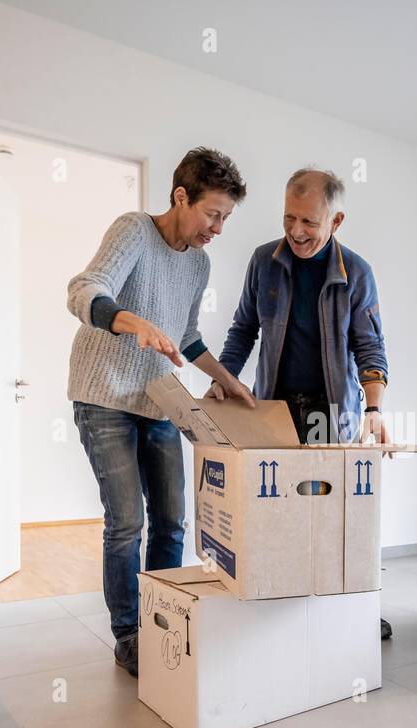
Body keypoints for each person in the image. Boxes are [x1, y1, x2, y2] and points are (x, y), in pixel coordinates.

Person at [66, 147, 254, 677]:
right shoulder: (133, 231)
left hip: (159, 399)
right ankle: (129, 633)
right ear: (180, 197)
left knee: (172, 520)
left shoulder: (199, 263)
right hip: (104, 394)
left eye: (225, 218)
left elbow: (188, 335)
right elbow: (83, 291)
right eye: (212, 213)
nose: (217, 228)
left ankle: (161, 615)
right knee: (127, 521)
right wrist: (133, 322)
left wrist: (227, 381)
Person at [207, 167, 395, 637]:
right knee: (276, 511)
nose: (295, 232)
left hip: (331, 412)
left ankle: (351, 604)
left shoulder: (357, 272)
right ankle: (282, 603)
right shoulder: (263, 262)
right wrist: (224, 382)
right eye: (289, 218)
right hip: (274, 408)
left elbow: (369, 347)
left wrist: (373, 410)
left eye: (309, 222)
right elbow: (242, 330)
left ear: (336, 221)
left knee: (334, 515)